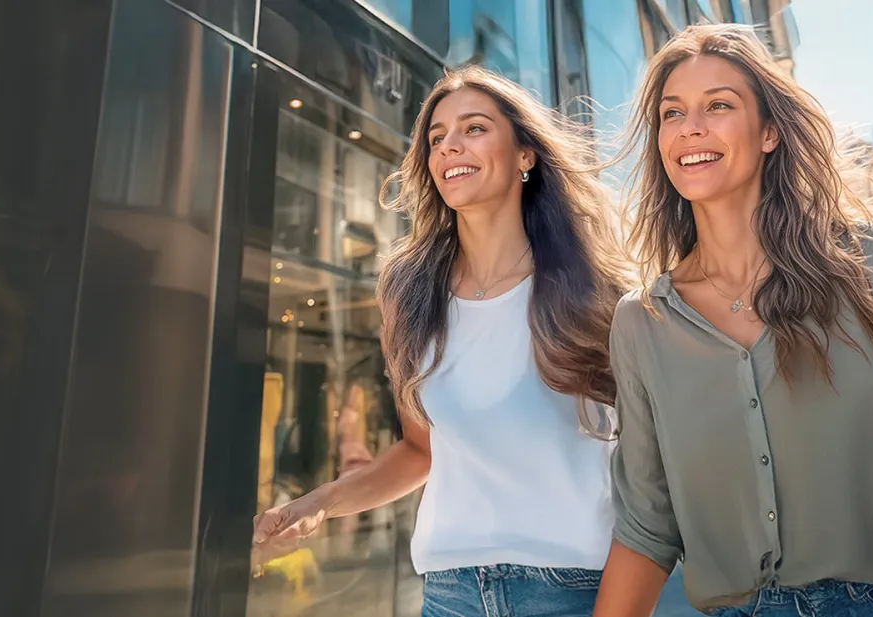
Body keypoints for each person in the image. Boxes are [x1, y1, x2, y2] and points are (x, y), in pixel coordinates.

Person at [592, 25, 873, 616]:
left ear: (769, 131)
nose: (690, 126)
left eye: (718, 105)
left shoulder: (868, 264)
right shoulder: (641, 323)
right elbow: (648, 521)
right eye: (673, 113)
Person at [250, 65, 634, 617]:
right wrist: (318, 504)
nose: (450, 145)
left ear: (525, 154)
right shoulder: (410, 294)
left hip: (573, 588)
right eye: (436, 138)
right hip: (451, 591)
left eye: (474, 128)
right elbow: (418, 451)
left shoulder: (597, 292)